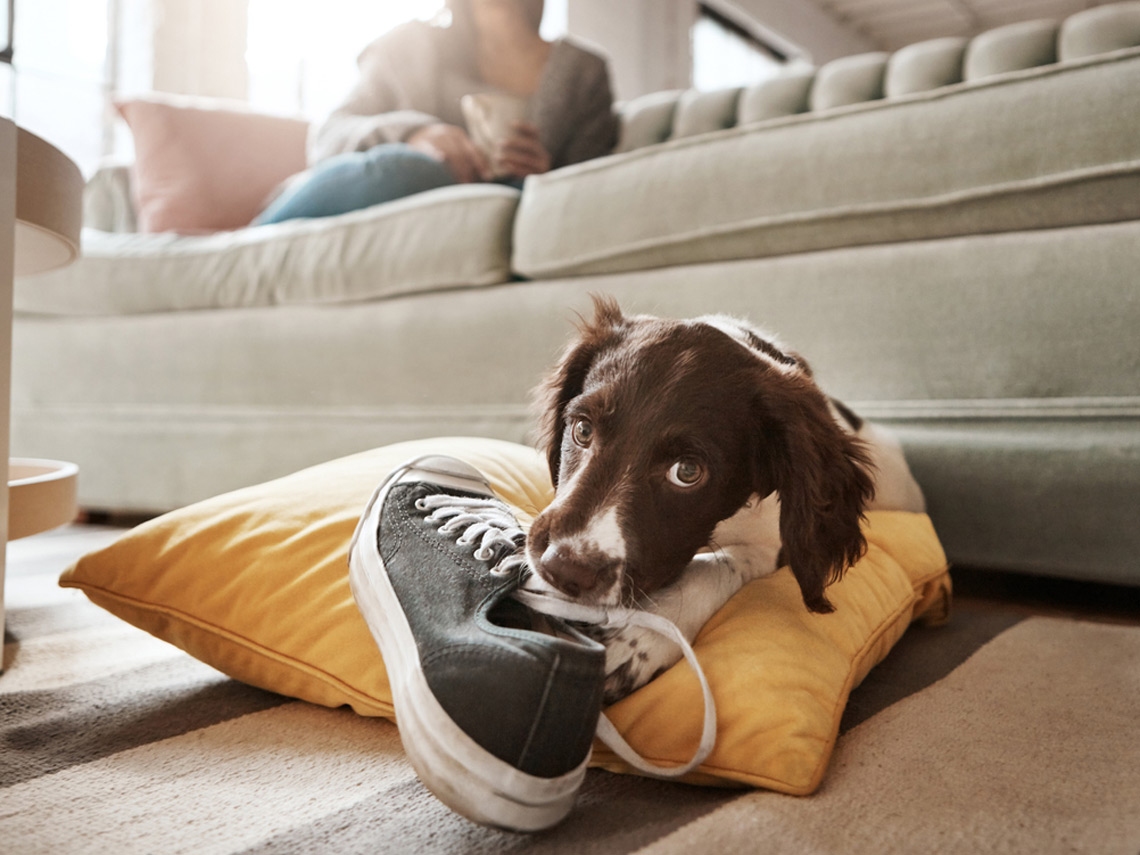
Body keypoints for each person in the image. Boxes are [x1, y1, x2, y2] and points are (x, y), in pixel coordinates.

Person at [254, 0, 618, 225]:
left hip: (482, 217)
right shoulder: (408, 44)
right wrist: (413, 135)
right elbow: (327, 136)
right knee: (414, 169)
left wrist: (546, 176)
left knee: (516, 192)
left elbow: (588, 195)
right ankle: (246, 243)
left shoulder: (582, 72)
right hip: (372, 192)